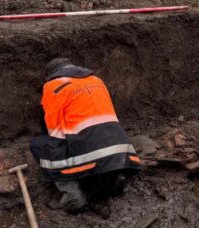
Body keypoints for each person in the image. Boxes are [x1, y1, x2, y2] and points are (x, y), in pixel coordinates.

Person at [30, 57, 141, 212]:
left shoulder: (52, 86)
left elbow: (55, 133)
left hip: (91, 153)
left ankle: (72, 194)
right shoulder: (96, 80)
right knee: (96, 143)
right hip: (120, 151)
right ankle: (114, 178)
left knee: (39, 145)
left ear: (51, 75)